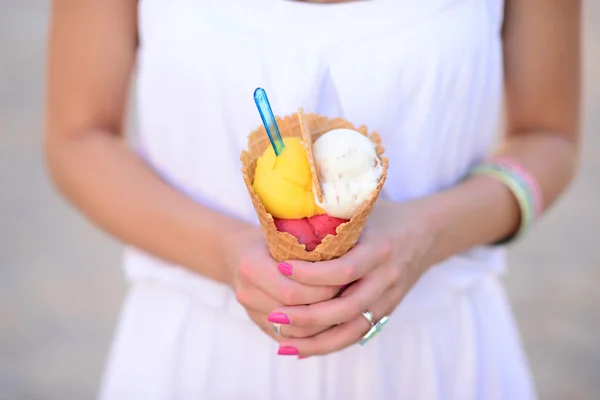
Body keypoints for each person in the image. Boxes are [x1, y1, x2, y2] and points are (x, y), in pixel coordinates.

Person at [44, 0, 581, 398]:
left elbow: (549, 137)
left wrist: (428, 233)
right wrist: (225, 250)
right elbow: (77, 137)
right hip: (197, 360)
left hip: (441, 362)